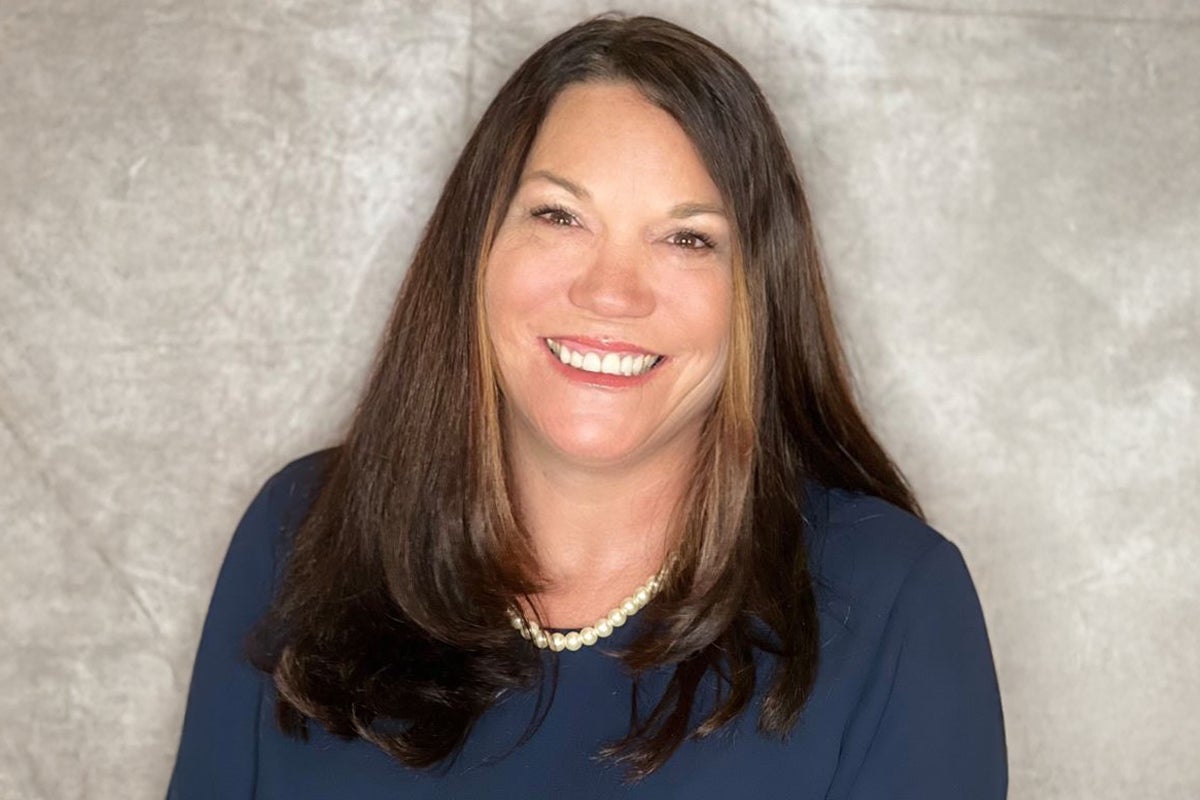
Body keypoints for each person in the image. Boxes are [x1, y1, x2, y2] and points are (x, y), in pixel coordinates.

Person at [167, 12, 1007, 799]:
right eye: (560, 216)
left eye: (687, 238)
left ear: (758, 295)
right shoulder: (301, 534)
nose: (611, 293)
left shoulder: (895, 603)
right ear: (475, 250)